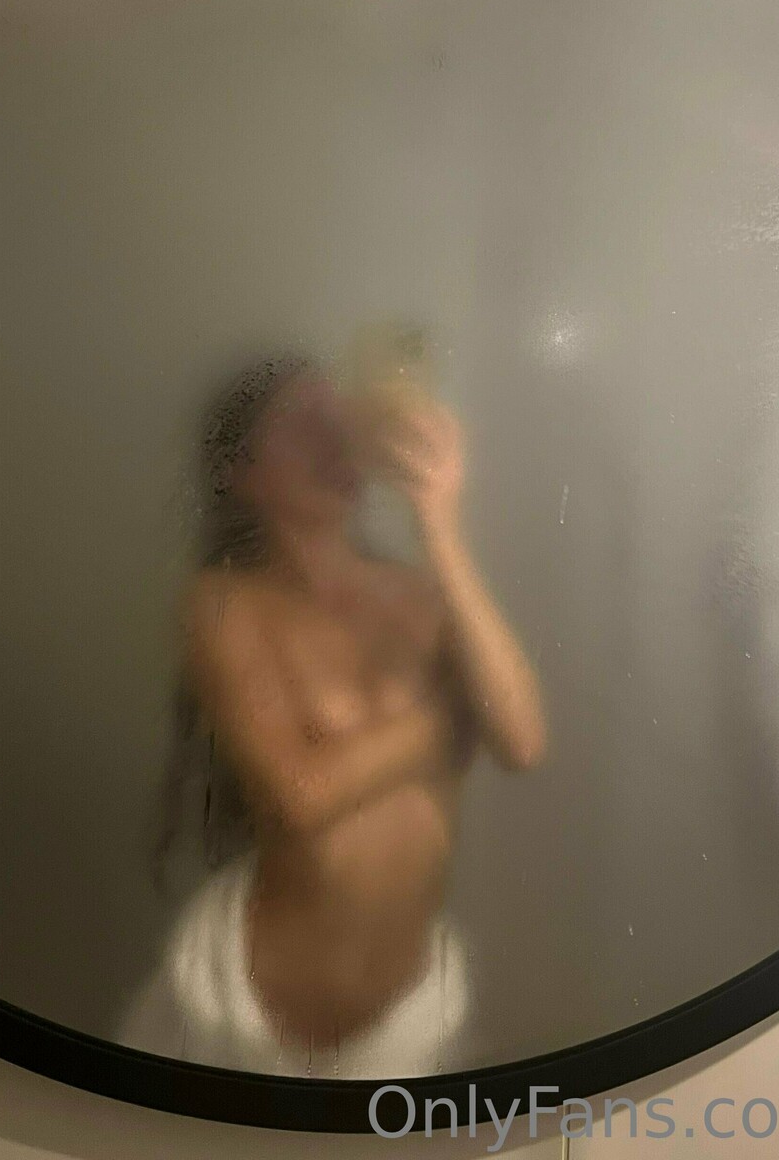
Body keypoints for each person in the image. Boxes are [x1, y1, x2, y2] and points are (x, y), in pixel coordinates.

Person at [120, 353, 547, 1077]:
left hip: (408, 1017)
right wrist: (445, 723)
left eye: (336, 416)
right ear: (244, 474)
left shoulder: (423, 596)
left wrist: (439, 524)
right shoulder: (226, 605)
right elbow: (300, 795)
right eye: (301, 424)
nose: (334, 437)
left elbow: (523, 739)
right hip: (237, 1011)